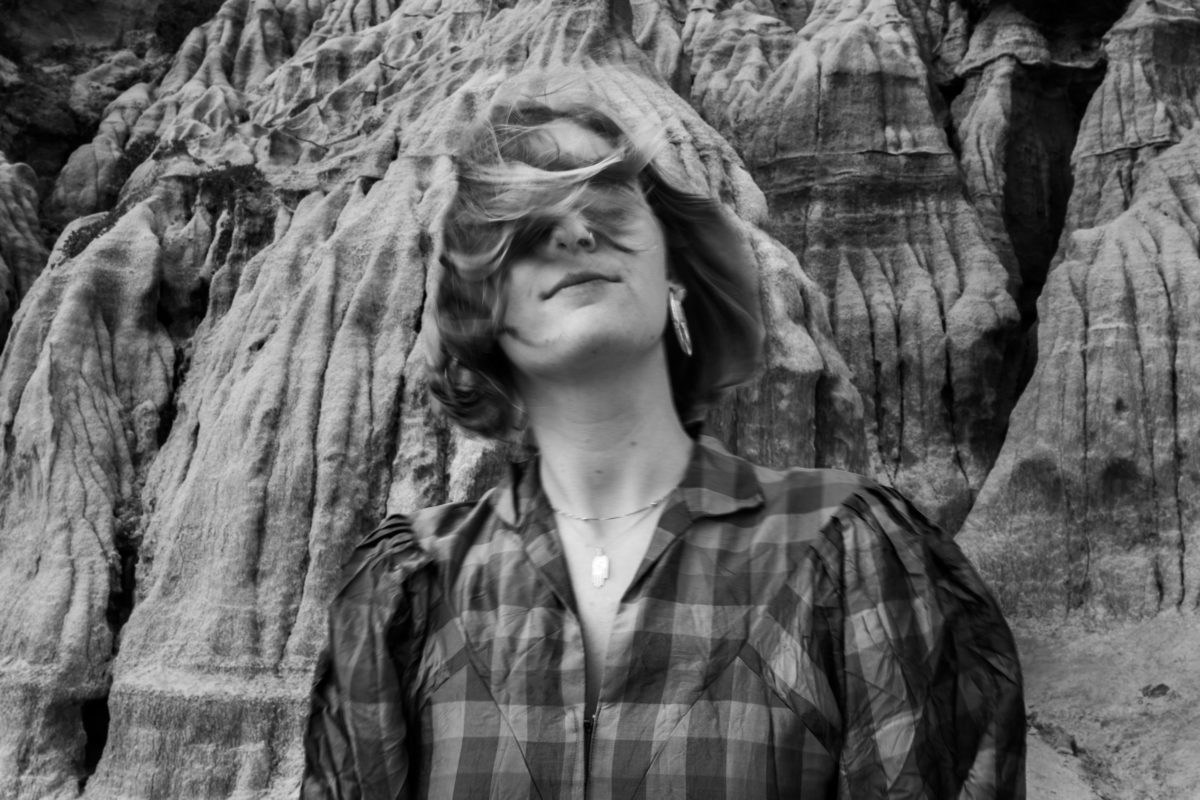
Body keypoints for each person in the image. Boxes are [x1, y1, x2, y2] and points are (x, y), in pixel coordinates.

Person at [301, 97, 1026, 799]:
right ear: (479, 307)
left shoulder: (846, 552)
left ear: (672, 267)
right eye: (523, 226)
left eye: (608, 201)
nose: (574, 234)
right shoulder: (409, 591)